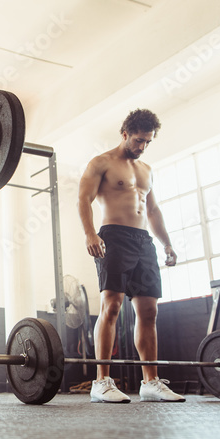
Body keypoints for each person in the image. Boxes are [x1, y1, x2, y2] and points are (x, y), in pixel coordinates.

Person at [77, 108, 183, 404]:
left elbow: (152, 210)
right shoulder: (101, 163)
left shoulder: (146, 170)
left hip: (142, 240)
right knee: (111, 306)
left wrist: (167, 244)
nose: (142, 147)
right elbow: (83, 199)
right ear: (124, 134)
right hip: (113, 236)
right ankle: (101, 382)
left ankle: (150, 382)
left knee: (149, 311)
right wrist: (89, 234)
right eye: (138, 140)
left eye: (147, 142)